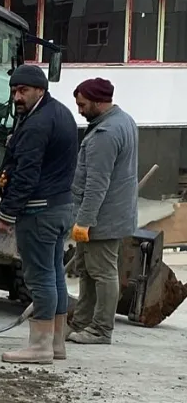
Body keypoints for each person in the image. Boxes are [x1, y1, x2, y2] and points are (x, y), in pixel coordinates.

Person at [0, 65, 78, 364]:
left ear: (40, 90)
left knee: (40, 276)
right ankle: (56, 343)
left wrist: (7, 214)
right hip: (60, 206)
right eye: (14, 91)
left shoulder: (36, 125)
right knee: (54, 273)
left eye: (23, 91)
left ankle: (40, 346)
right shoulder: (60, 114)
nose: (17, 97)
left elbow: (26, 177)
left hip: (40, 211)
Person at [68, 78, 139, 345]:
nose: (79, 110)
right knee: (87, 270)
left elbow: (97, 183)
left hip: (102, 217)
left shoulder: (105, 135)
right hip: (113, 212)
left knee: (102, 272)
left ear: (98, 102)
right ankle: (82, 322)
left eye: (83, 104)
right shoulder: (125, 120)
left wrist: (84, 221)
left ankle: (100, 330)